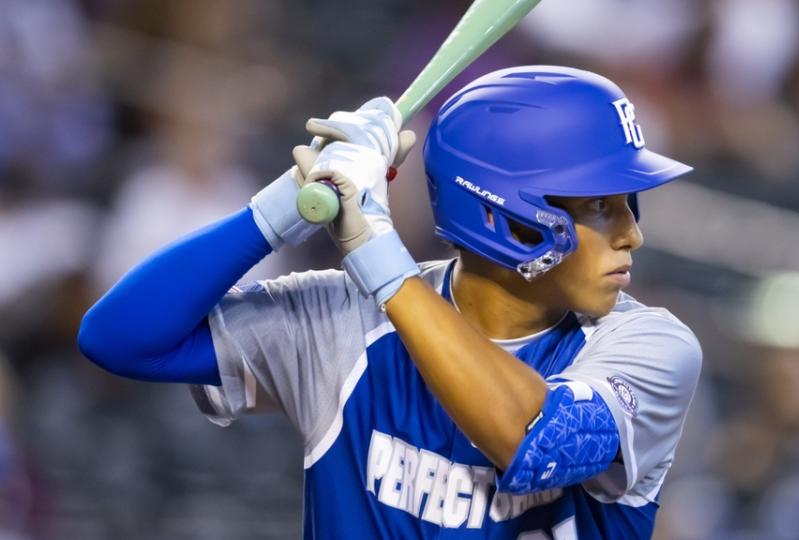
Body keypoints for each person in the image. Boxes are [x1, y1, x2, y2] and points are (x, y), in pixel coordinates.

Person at [78, 65, 702, 539]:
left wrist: (377, 251)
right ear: (509, 217)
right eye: (601, 204)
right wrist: (280, 209)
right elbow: (119, 338)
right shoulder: (344, 320)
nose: (632, 233)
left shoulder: (651, 347)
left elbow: (536, 442)